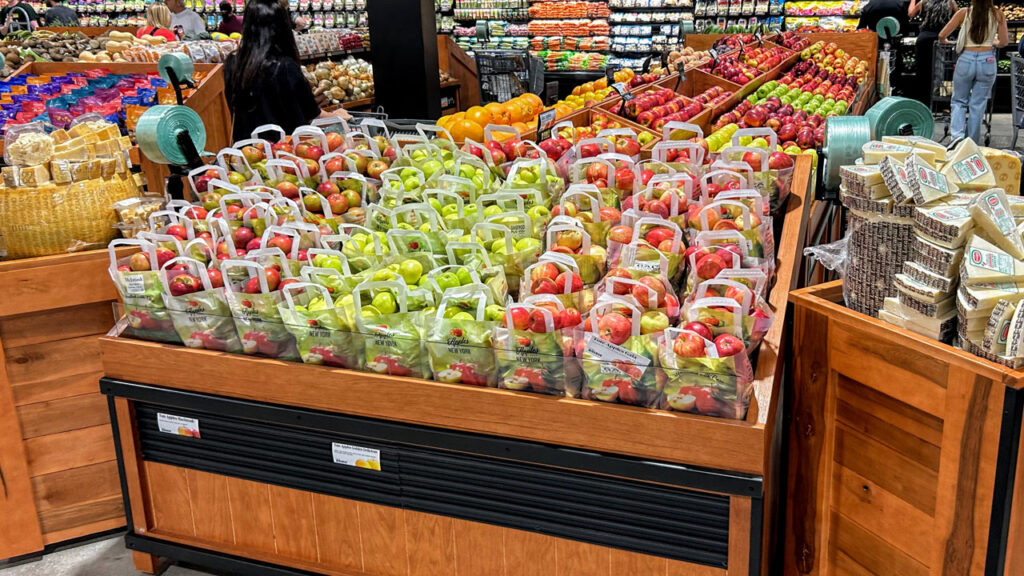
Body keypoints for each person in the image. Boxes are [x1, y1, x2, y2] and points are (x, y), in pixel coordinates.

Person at [224, 0, 349, 142]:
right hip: (283, 152)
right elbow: (312, 116)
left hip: (245, 151)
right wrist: (338, 116)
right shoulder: (284, 66)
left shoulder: (232, 62)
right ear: (282, 28)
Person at [939, 0, 1009, 142]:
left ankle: (957, 139)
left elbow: (941, 35)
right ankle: (970, 143)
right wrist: (992, 42)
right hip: (987, 61)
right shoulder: (998, 14)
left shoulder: (964, 13)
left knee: (959, 101)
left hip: (966, 59)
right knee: (978, 104)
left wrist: (948, 42)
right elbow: (1003, 42)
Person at [909, 0, 957, 105]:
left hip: (924, 39)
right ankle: (940, 102)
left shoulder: (923, 2)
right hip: (942, 40)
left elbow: (911, 13)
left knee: (923, 71)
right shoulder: (951, 3)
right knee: (940, 70)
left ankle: (923, 102)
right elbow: (958, 19)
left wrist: (913, 1)